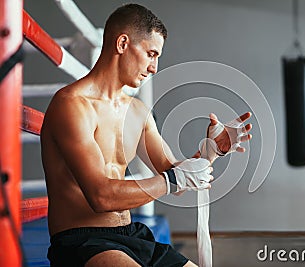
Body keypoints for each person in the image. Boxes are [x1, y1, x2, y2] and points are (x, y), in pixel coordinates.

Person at [41, 3, 251, 267]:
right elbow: (101, 196)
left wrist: (211, 153)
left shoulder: (138, 112)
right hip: (83, 242)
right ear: (122, 43)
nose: (154, 67)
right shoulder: (72, 105)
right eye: (151, 53)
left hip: (131, 236)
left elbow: (177, 180)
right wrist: (175, 178)